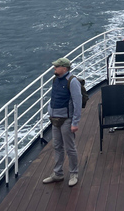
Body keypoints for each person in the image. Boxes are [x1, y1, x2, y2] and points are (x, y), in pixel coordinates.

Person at [42, 57, 81, 186]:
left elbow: (77, 102)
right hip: (55, 119)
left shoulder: (72, 81)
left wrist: (75, 122)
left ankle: (74, 173)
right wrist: (50, 110)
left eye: (56, 66)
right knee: (57, 146)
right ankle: (58, 173)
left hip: (66, 120)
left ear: (64, 68)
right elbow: (53, 96)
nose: (54, 68)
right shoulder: (55, 80)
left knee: (70, 148)